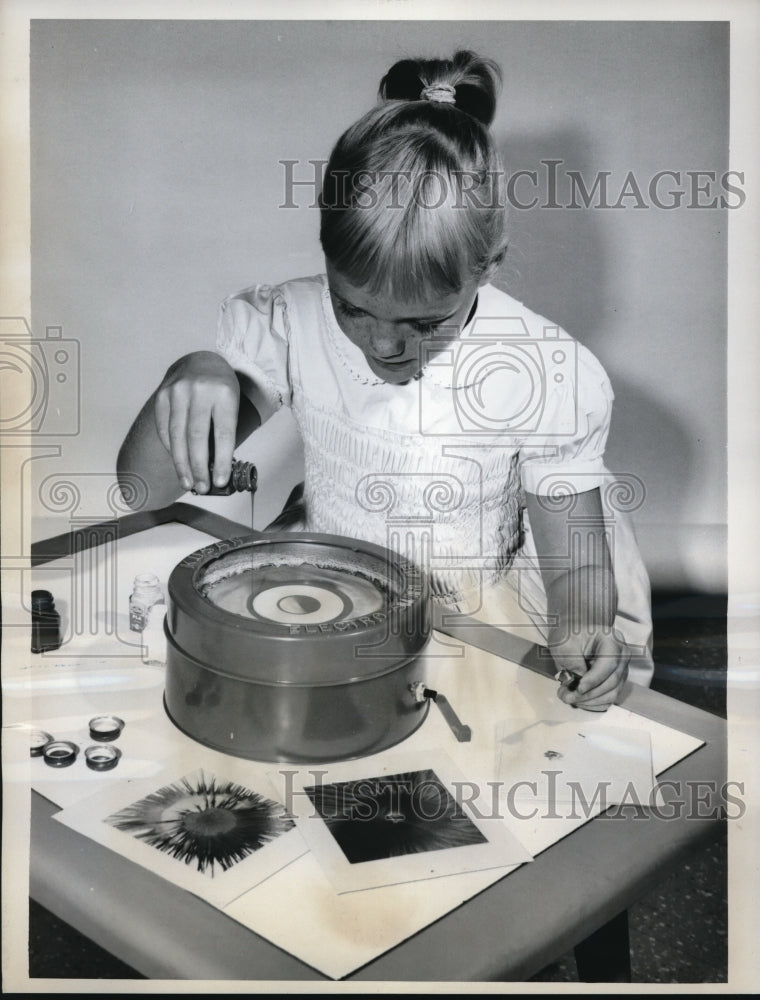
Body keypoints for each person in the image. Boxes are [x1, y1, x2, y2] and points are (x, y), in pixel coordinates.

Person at [118, 50, 654, 710]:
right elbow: (144, 487)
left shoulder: (542, 368)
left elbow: (575, 560)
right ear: (326, 259)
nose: (384, 344)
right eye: (353, 308)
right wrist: (192, 372)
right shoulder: (292, 324)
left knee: (480, 756)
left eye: (425, 321)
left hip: (474, 614)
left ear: (488, 267)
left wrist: (583, 631)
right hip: (338, 585)